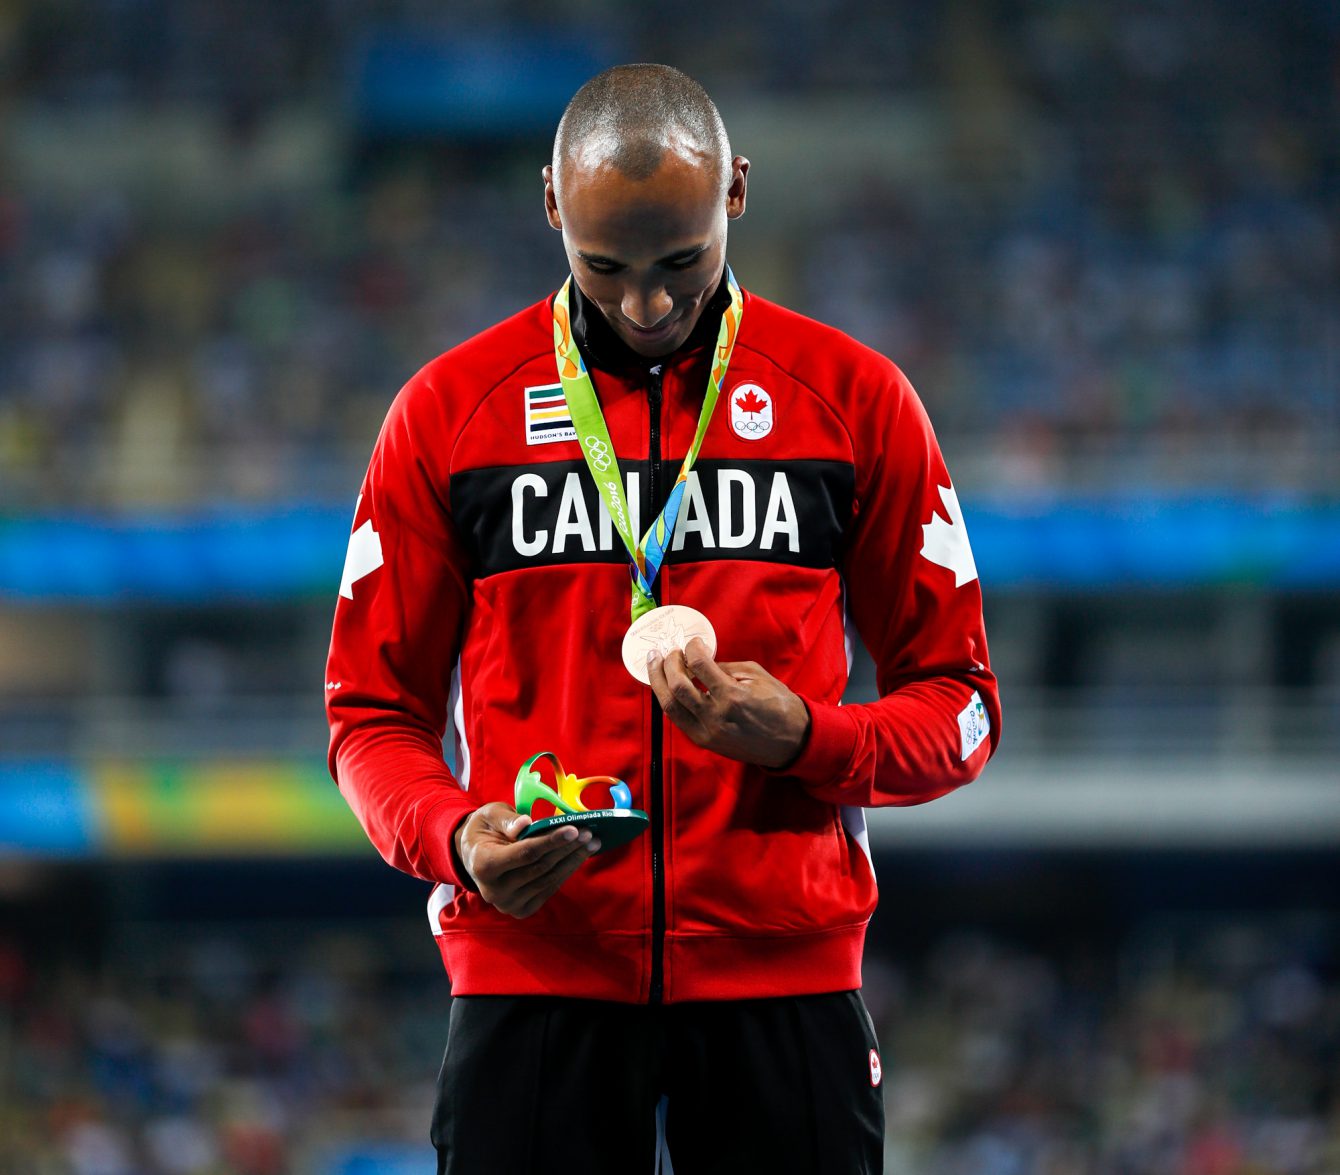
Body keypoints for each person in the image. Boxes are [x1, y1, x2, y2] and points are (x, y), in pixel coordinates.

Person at [325, 63, 1000, 1174]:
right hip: (529, 973)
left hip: (783, 978)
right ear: (549, 204)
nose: (645, 303)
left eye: (681, 263)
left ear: (736, 191)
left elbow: (963, 707)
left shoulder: (854, 399)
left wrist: (809, 738)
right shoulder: (448, 413)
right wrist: (452, 835)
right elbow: (367, 712)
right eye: (604, 267)